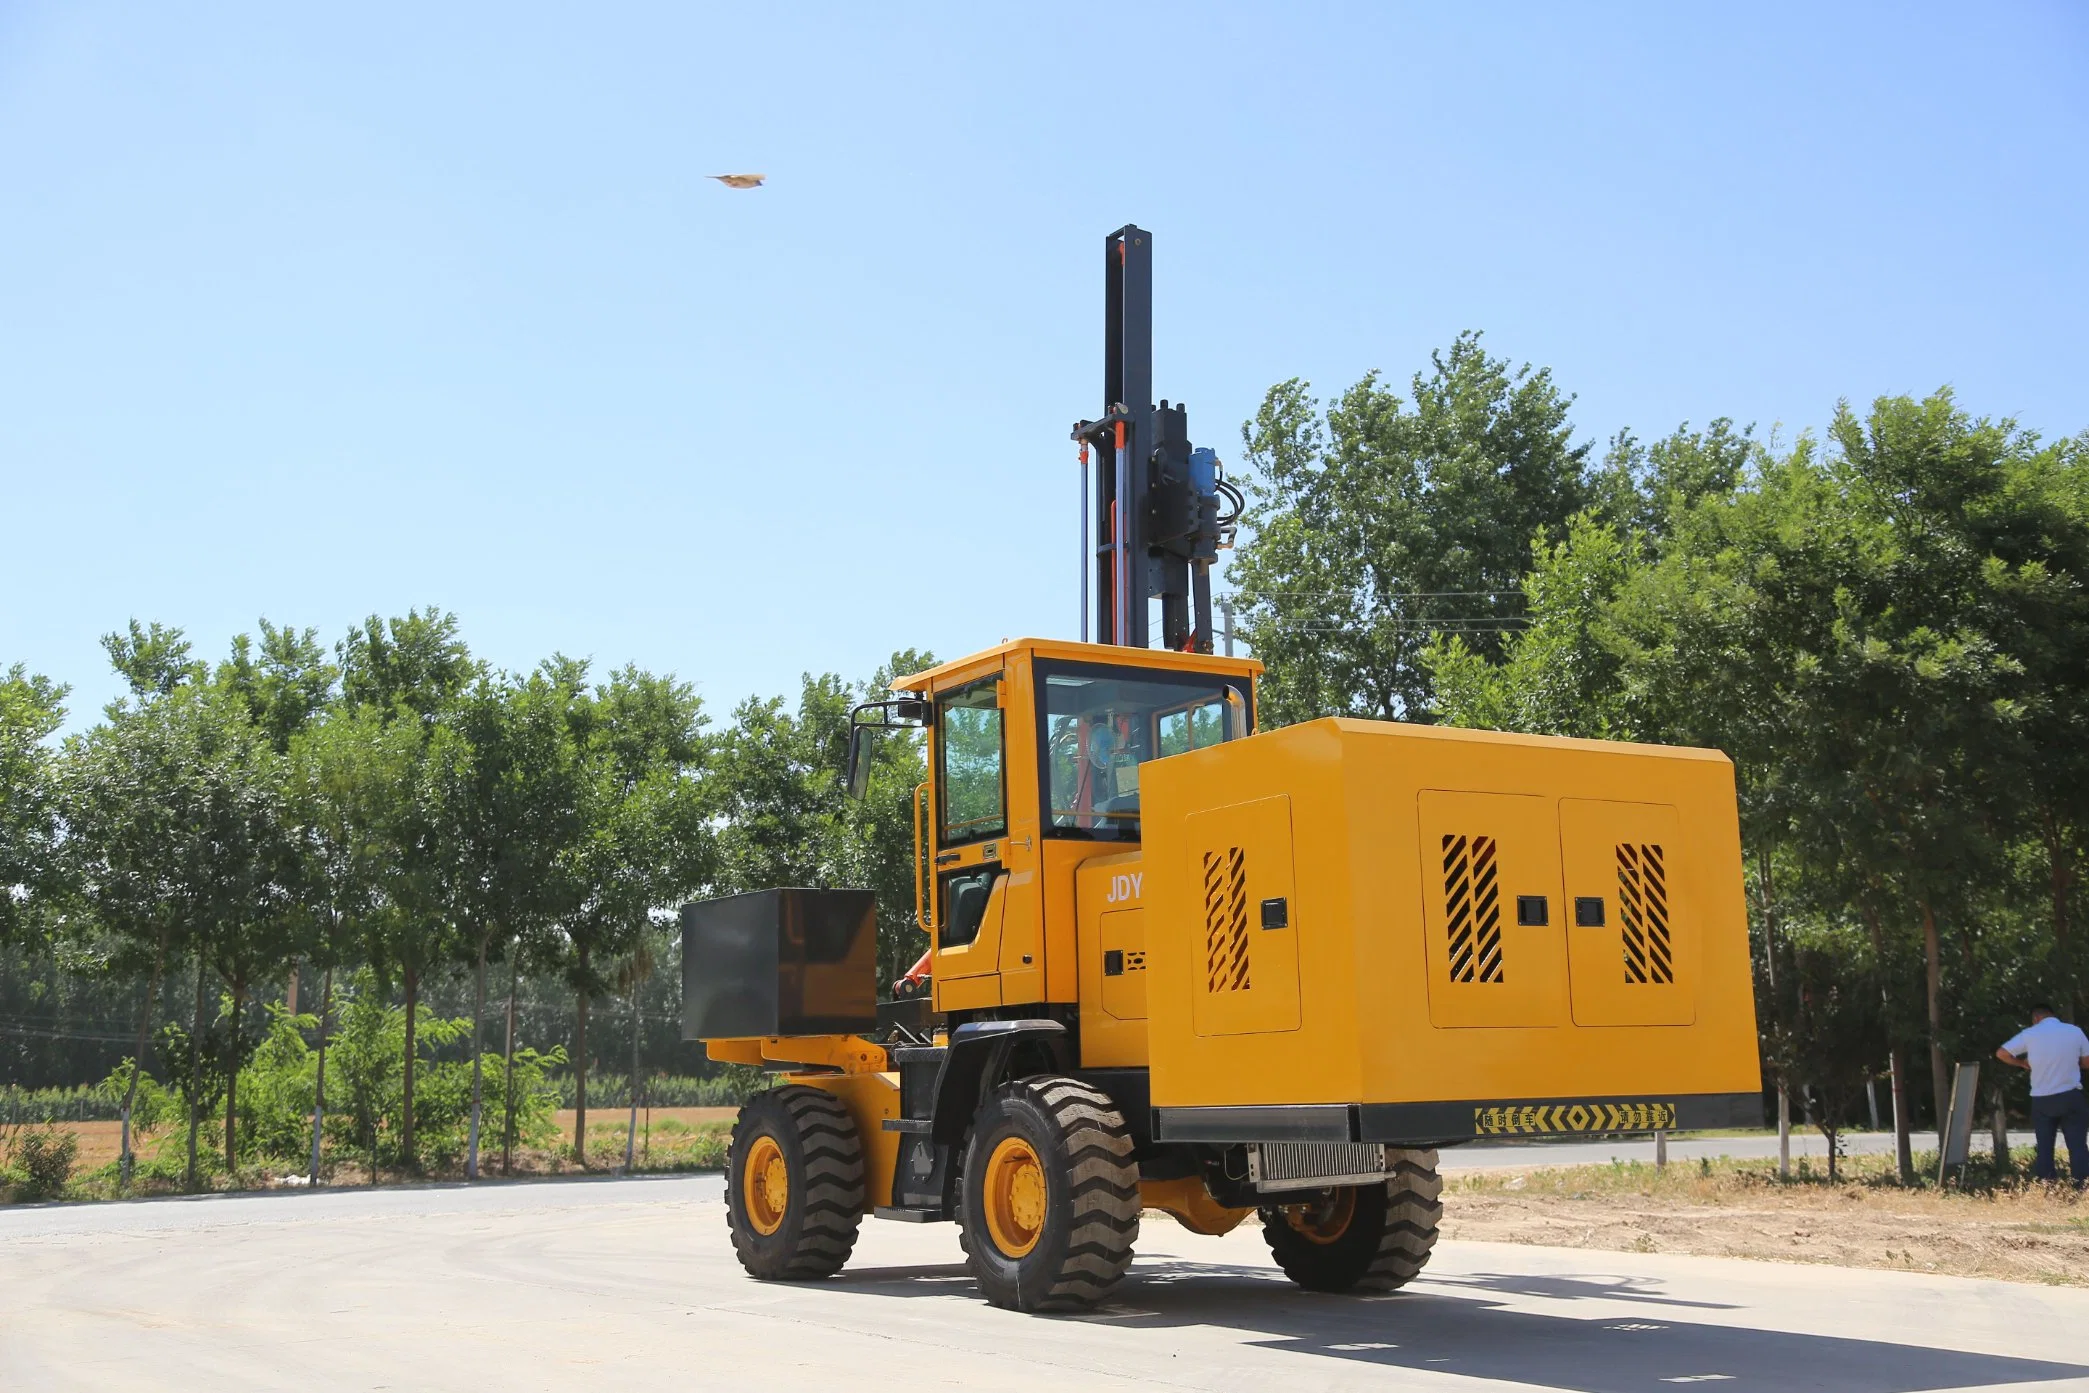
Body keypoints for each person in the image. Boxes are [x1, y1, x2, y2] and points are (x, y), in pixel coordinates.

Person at [1995, 1003, 2089, 1187]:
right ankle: (2082, 1186)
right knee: (2077, 1145)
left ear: (2036, 1018)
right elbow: (2087, 1061)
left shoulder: (2030, 1034)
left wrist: (2022, 1063)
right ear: (2053, 1015)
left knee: (2045, 1147)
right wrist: (2073, 1064)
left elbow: (2002, 1053)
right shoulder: (2074, 1031)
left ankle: (2048, 1187)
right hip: (2070, 1096)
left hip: (2042, 1099)